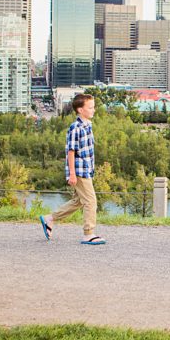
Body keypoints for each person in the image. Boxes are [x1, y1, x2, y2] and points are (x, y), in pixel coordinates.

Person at [40, 93, 104, 245]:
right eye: (90, 107)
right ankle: (88, 233)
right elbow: (71, 152)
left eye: (93, 107)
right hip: (79, 171)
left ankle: (50, 218)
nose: (93, 110)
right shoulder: (75, 128)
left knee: (78, 201)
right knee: (90, 201)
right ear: (80, 110)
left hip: (87, 169)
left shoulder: (88, 125)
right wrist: (72, 174)